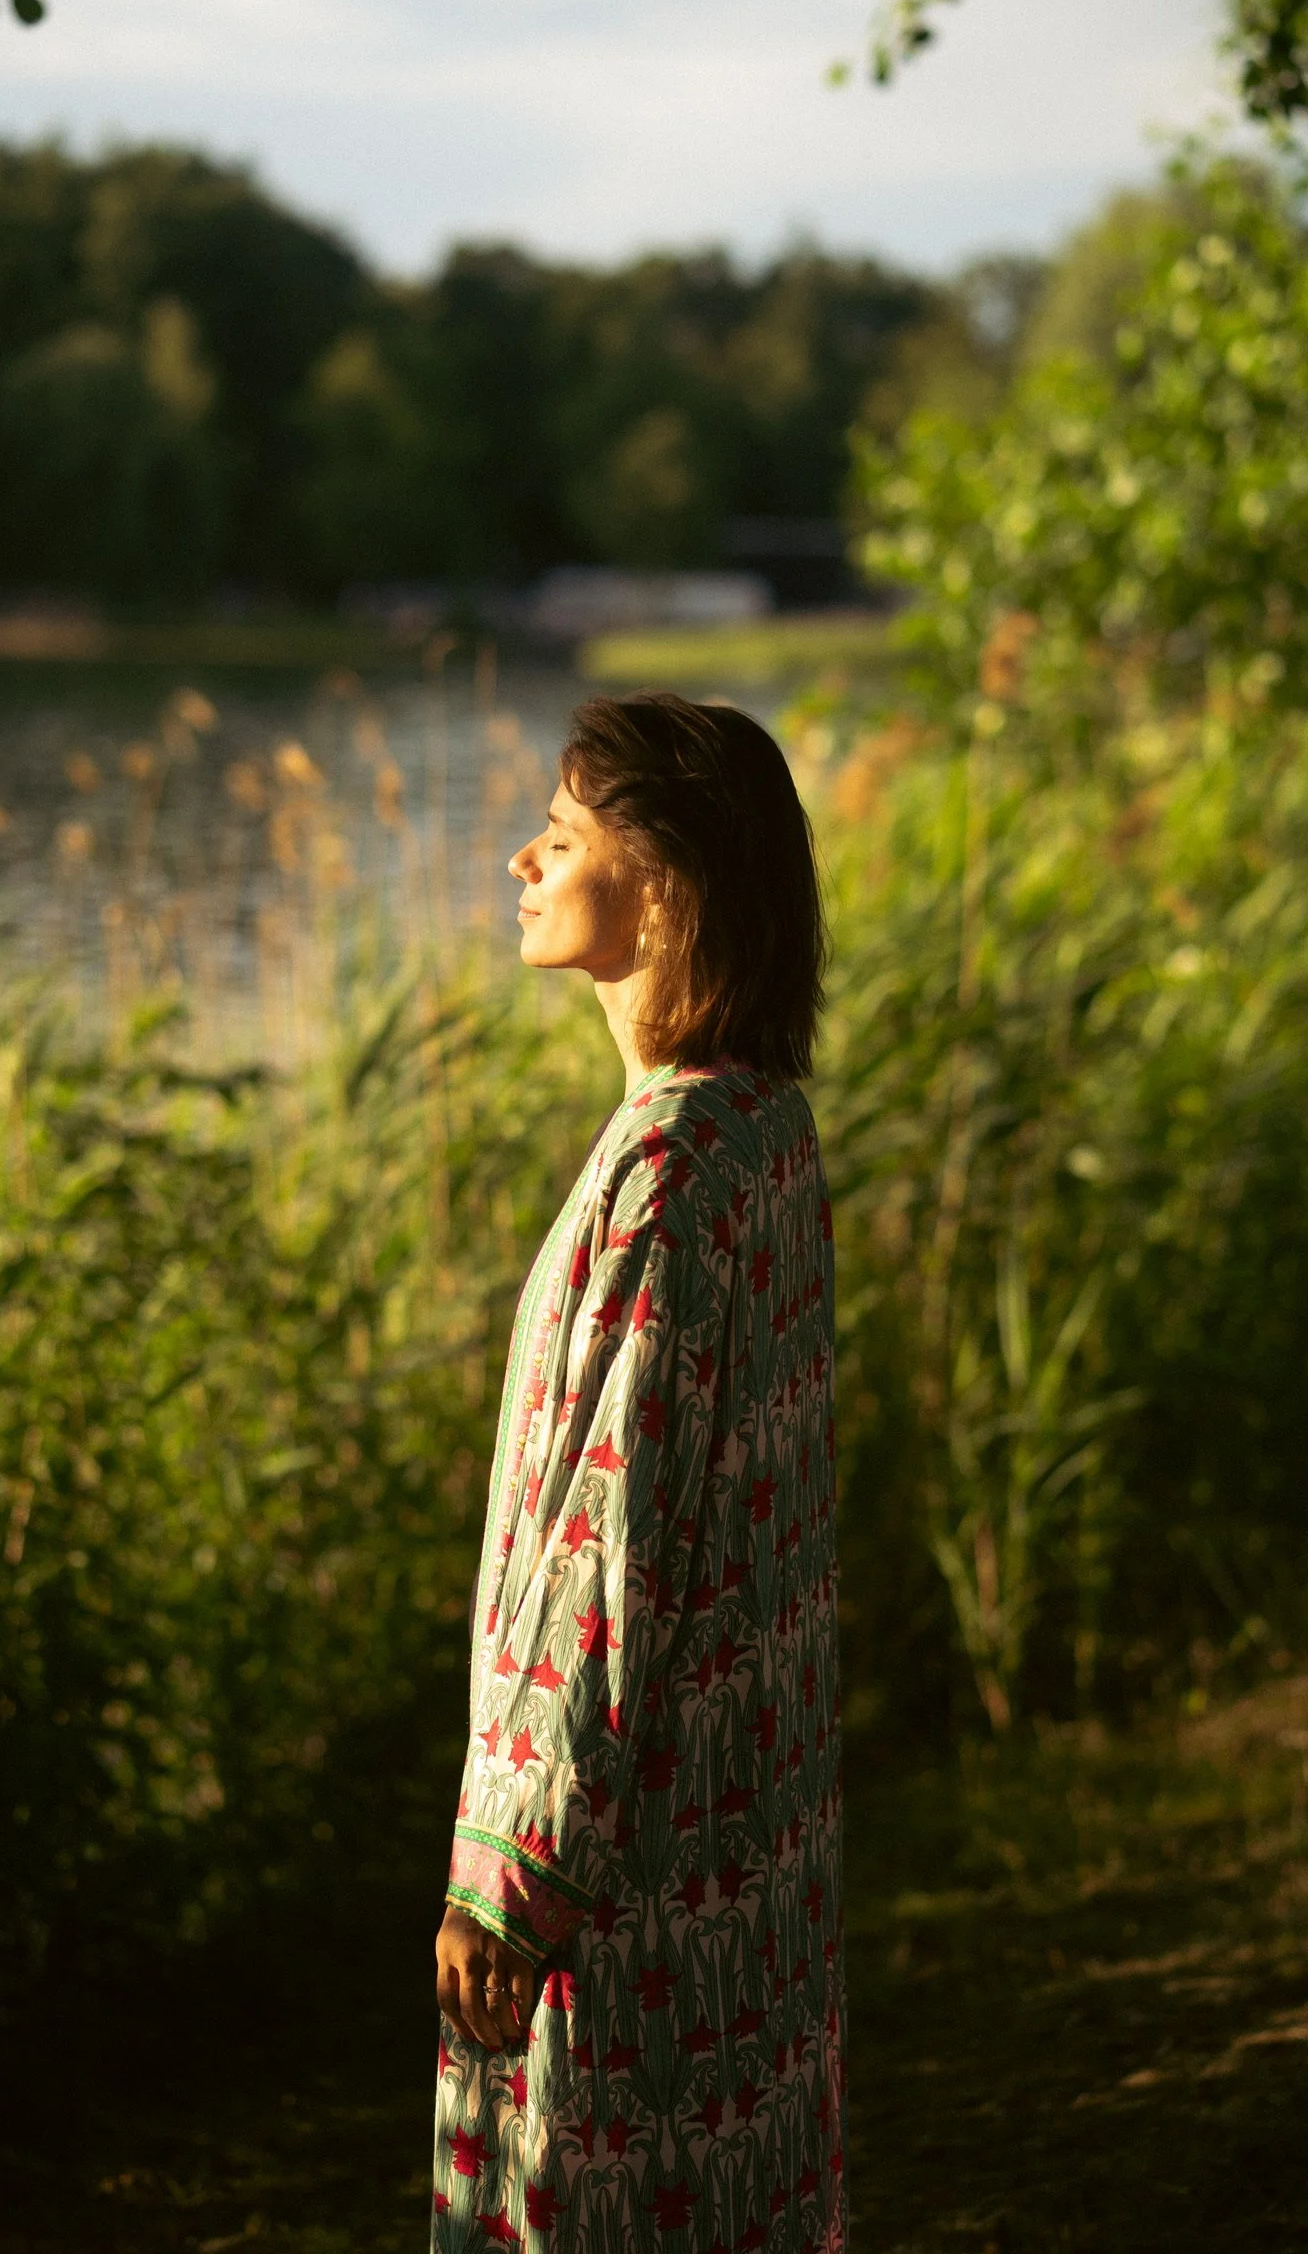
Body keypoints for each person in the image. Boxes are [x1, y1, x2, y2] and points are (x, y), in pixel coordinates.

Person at [431, 691, 844, 2253]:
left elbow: (607, 1549)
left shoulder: (670, 1178)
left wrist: (512, 1874)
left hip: (640, 1890)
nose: (520, 860)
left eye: (564, 826)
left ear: (664, 879)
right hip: (742, 1865)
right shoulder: (761, 1135)